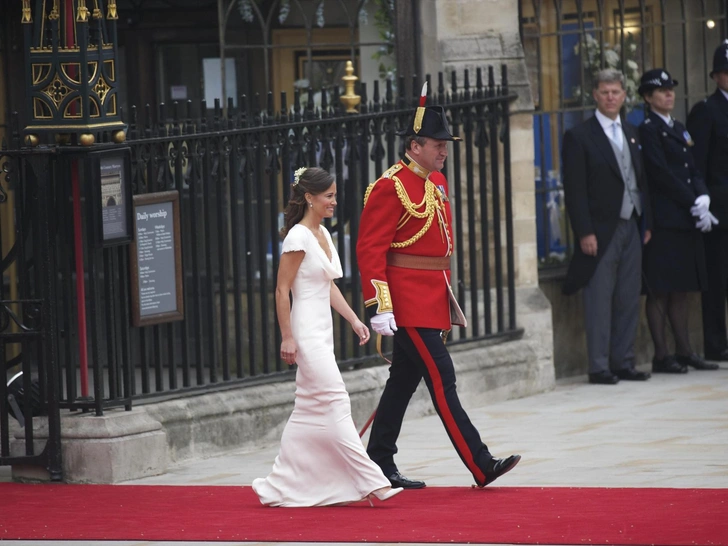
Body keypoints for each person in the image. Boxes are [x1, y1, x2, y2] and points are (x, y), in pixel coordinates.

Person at [355, 84, 521, 490]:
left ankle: (378, 461)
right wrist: (380, 304)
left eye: (446, 143)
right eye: (437, 143)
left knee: (403, 383)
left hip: (431, 297)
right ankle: (480, 464)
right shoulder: (389, 186)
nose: (444, 150)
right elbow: (370, 247)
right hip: (406, 302)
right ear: (414, 145)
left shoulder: (436, 181)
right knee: (442, 379)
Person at [252, 167, 403, 507]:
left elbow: (327, 284)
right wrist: (287, 337)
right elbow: (281, 289)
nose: (335, 201)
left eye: (335, 194)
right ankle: (371, 481)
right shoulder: (297, 237)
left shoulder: (323, 233)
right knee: (336, 400)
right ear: (309, 198)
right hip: (305, 331)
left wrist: (353, 319)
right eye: (329, 196)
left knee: (307, 409)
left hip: (323, 328)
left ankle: (278, 484)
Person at [561, 69, 653, 385]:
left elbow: (641, 181)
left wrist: (647, 222)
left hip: (632, 223)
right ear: (595, 96)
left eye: (616, 92)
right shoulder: (579, 136)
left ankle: (623, 361)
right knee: (599, 298)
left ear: (624, 95)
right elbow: (574, 190)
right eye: (604, 92)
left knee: (628, 296)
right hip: (600, 230)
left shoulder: (631, 132)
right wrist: (584, 231)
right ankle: (599, 366)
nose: (611, 97)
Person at [637, 68, 719, 374]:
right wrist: (690, 199)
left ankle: (684, 350)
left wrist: (703, 196)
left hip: (686, 218)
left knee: (681, 288)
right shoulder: (648, 129)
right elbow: (660, 173)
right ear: (648, 98)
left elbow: (692, 167)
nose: (668, 94)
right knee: (661, 288)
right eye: (661, 91)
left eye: (671, 89)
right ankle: (661, 354)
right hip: (665, 219)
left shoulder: (679, 127)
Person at [686, 39, 728, 364]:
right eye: (726, 72)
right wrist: (703, 201)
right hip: (720, 209)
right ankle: (716, 343)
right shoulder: (706, 110)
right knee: (717, 279)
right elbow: (697, 161)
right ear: (716, 76)